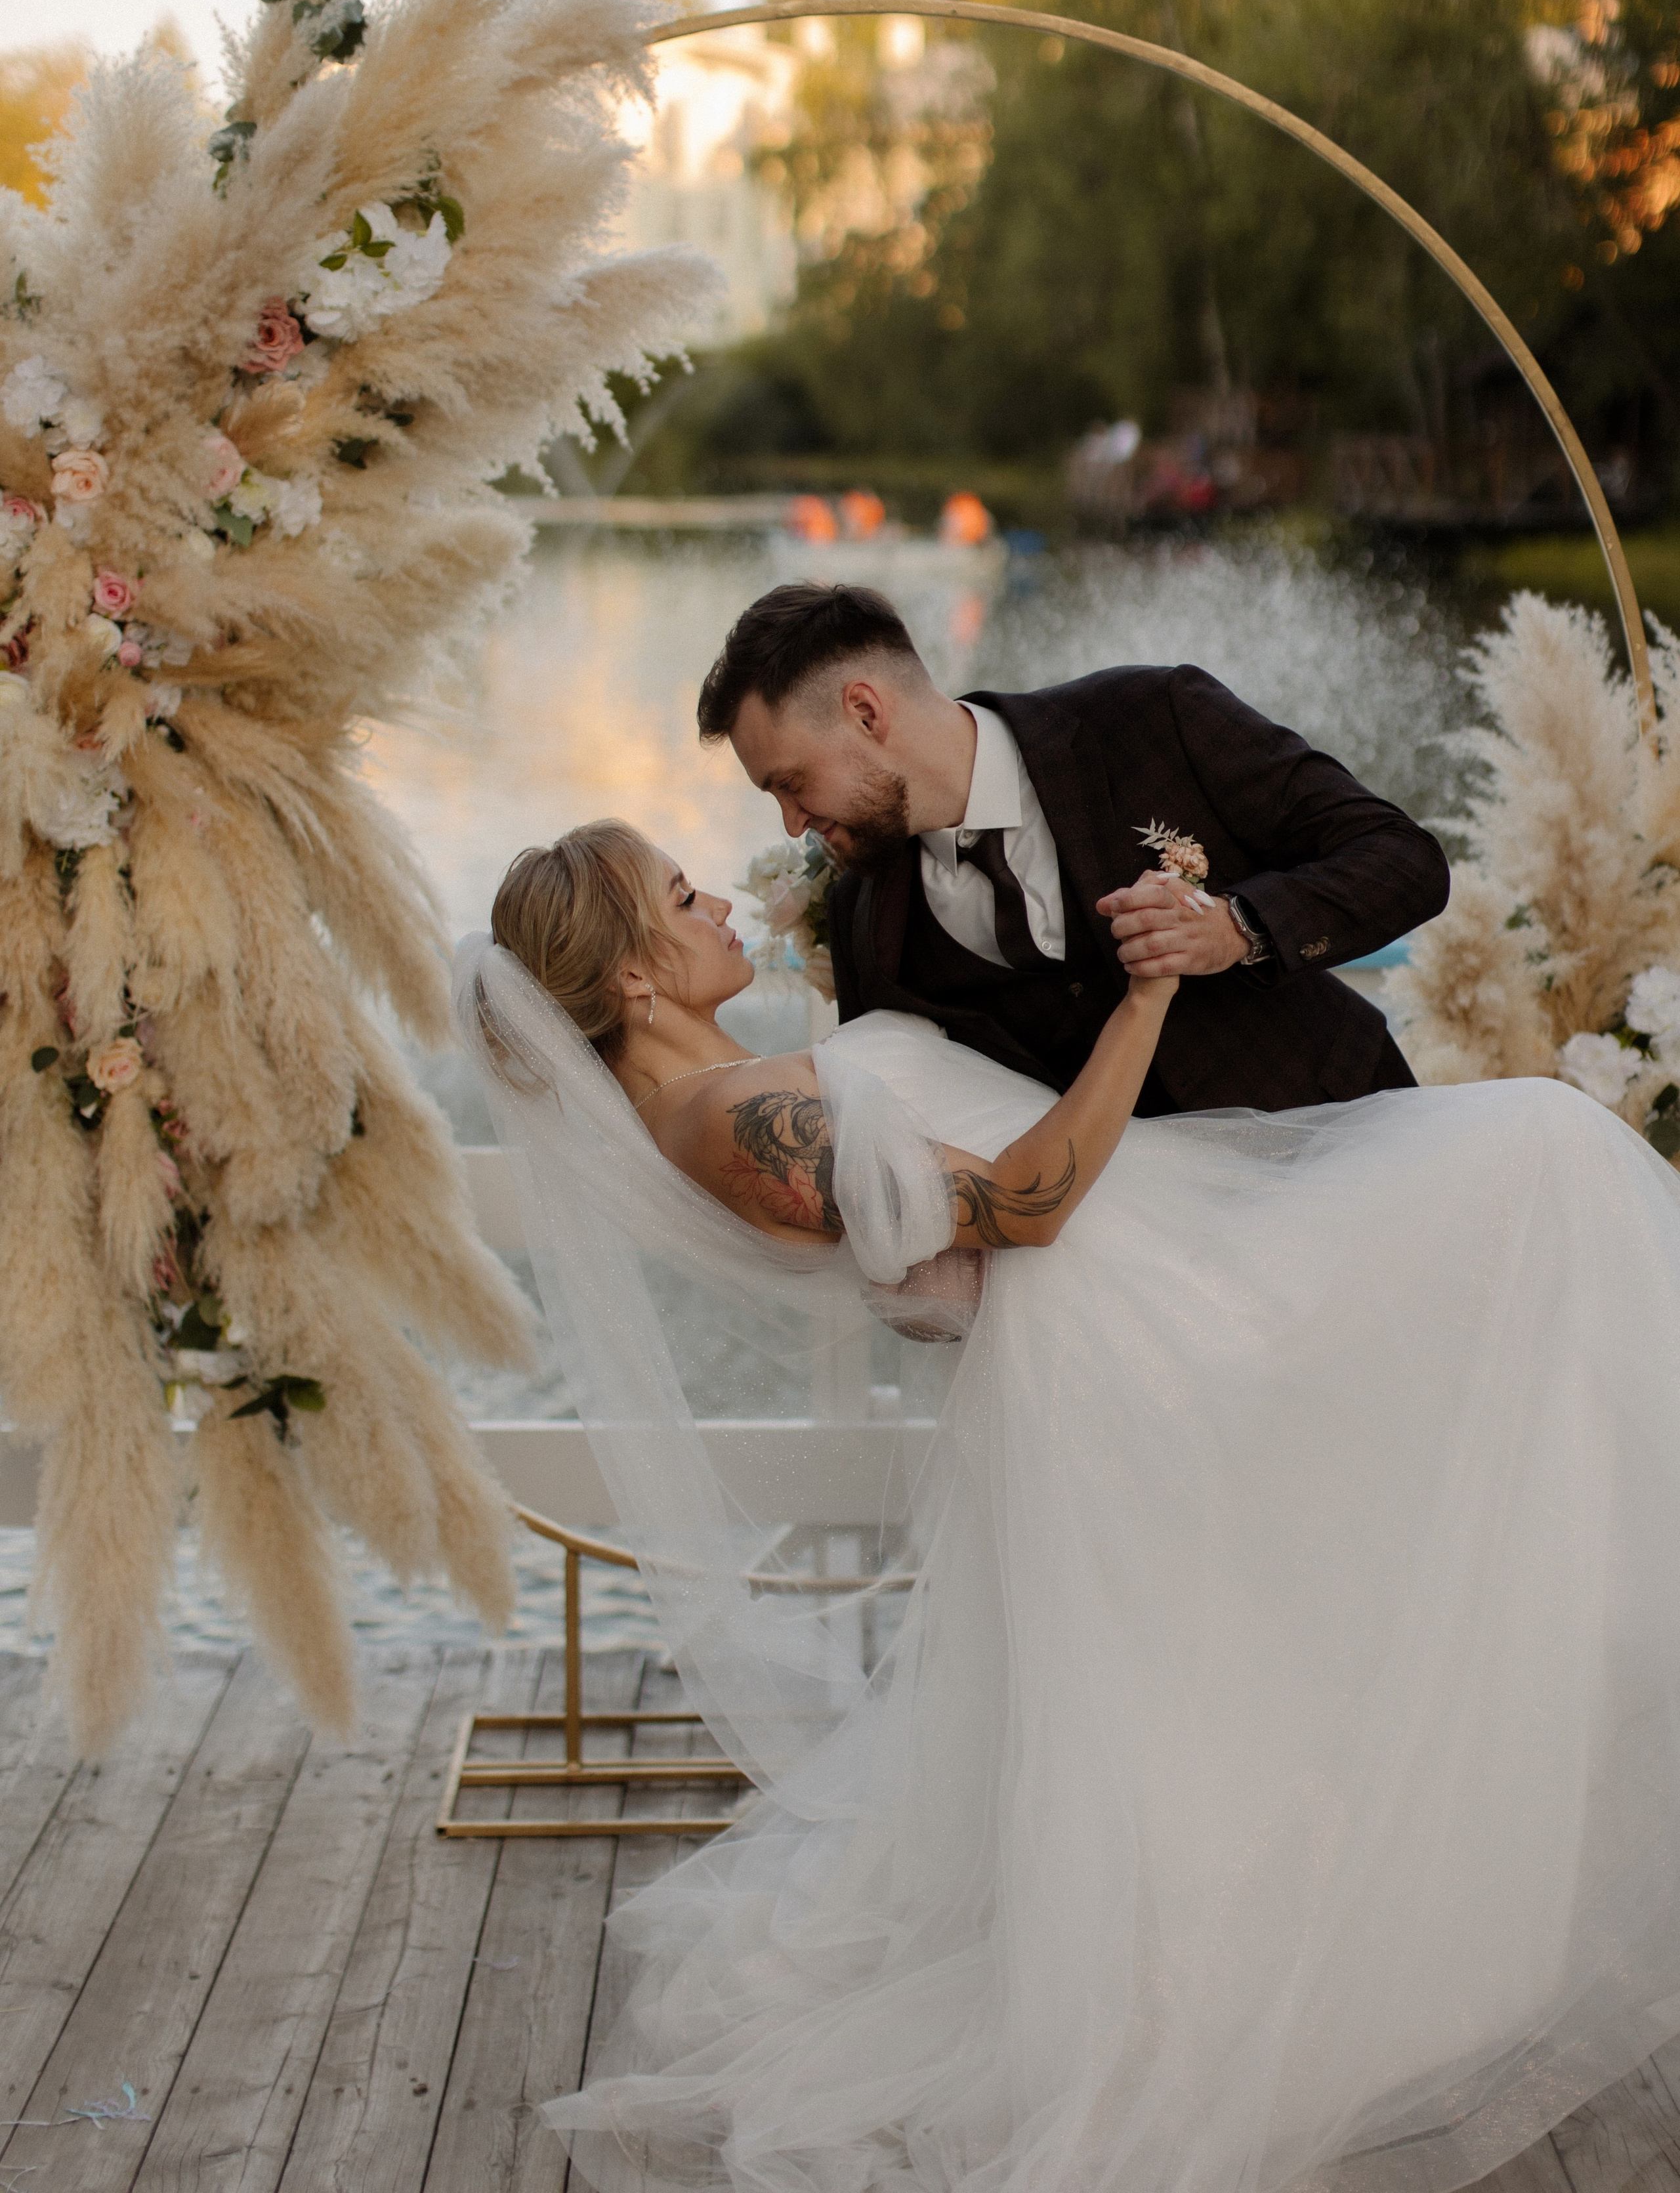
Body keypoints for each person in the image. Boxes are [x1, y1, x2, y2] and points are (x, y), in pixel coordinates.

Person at [461, 817, 1680, 2193]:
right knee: (1536, 1154)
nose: (720, 905)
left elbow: (919, 1259)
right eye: (682, 901)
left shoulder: (743, 1078)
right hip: (1132, 1321)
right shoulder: (731, 1123)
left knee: (1533, 1183)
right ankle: (1265, 1983)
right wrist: (1149, 995)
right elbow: (1027, 1203)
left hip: (1160, 1269)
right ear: (629, 980)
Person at [696, 582, 1450, 1111]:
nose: (793, 824)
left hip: (1339, 1143)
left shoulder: (1152, 717)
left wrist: (1236, 929)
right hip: (1148, 1281)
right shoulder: (865, 922)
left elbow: (1402, 858)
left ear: (865, 711)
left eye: (791, 783)